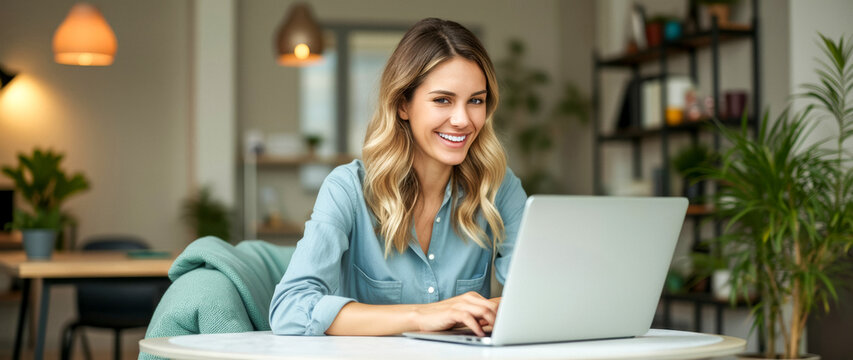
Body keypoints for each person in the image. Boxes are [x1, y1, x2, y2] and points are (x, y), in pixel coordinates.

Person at [269, 17, 527, 337]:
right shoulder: (348, 189)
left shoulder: (498, 188)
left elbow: (541, 293)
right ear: (403, 104)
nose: (462, 120)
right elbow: (289, 309)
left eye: (475, 100)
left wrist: (503, 308)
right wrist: (422, 316)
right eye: (442, 100)